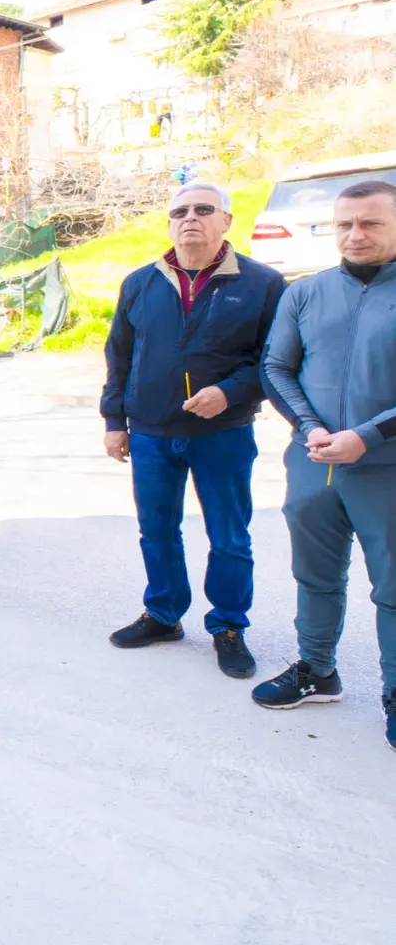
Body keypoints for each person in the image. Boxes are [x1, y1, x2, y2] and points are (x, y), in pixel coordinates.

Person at [99, 183, 286, 679]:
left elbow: (274, 360)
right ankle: (163, 614)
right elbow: (119, 354)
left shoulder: (262, 283)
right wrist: (114, 420)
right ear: (169, 223)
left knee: (228, 535)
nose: (191, 218)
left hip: (222, 432)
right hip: (151, 433)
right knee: (157, 530)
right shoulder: (140, 283)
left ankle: (228, 626)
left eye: (204, 209)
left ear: (226, 219)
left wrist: (231, 392)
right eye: (179, 211)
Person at [253, 179, 396, 752]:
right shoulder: (304, 293)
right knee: (314, 575)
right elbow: (275, 367)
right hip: (313, 463)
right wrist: (311, 429)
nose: (354, 234)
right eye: (344, 224)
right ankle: (316, 670)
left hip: (385, 465)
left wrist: (365, 436)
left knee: (392, 587)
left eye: (371, 223)